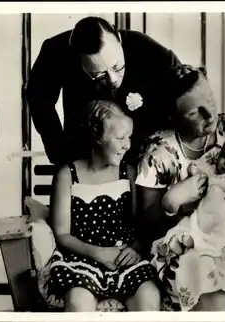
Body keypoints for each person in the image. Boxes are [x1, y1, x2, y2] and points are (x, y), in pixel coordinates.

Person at [136, 65, 225, 311]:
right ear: (172, 117)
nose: (210, 115)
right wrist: (172, 203)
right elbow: (147, 224)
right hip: (193, 243)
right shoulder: (159, 154)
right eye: (195, 113)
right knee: (207, 273)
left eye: (210, 101)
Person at [46, 100, 160, 311]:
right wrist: (97, 253)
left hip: (123, 258)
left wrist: (135, 249)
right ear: (97, 137)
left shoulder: (129, 172)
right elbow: (62, 234)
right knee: (79, 300)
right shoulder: (67, 175)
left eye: (129, 137)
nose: (127, 145)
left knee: (149, 295)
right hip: (82, 259)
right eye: (120, 138)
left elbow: (139, 225)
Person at [26, 16, 181, 166]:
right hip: (86, 151)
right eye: (98, 74)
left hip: (143, 151)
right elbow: (38, 99)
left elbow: (187, 90)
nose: (112, 79)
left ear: (119, 39)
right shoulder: (56, 51)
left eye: (117, 66)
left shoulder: (148, 50)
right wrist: (60, 154)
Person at [158, 134, 225, 258]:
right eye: (224, 156)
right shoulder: (211, 172)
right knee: (191, 224)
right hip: (208, 212)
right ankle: (180, 243)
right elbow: (198, 173)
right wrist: (194, 171)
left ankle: (201, 244)